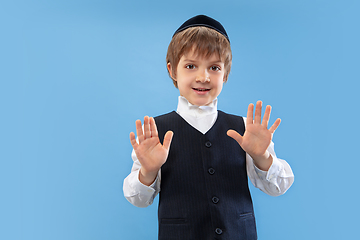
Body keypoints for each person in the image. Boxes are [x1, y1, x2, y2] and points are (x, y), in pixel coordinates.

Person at [123, 15, 294, 240]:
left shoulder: (245, 128)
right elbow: (138, 199)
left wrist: (262, 156)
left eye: (214, 67)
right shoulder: (155, 133)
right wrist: (148, 171)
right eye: (191, 66)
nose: (203, 77)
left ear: (226, 73)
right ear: (172, 70)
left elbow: (278, 187)